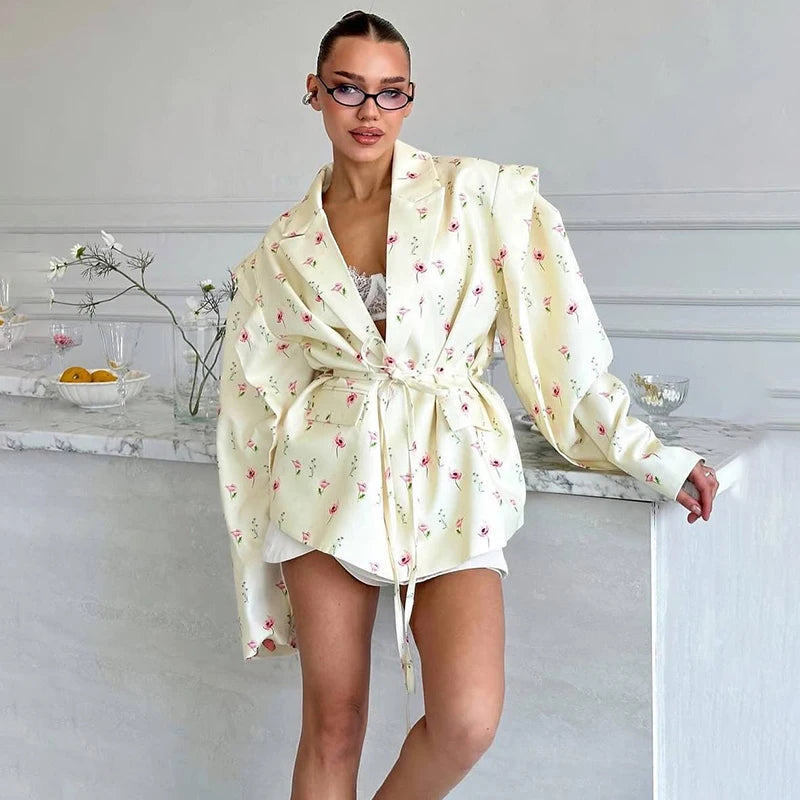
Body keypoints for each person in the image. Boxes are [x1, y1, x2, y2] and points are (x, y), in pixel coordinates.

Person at [215, 10, 719, 799]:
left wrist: (644, 454)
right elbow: (253, 404)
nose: (369, 111)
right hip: (323, 480)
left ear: (410, 101)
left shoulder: (479, 196)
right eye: (348, 89)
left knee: (468, 718)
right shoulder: (283, 246)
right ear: (314, 93)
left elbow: (561, 342)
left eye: (391, 92)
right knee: (333, 725)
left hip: (451, 468)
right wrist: (253, 563)